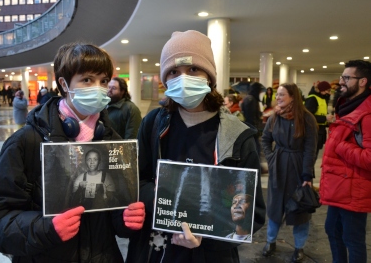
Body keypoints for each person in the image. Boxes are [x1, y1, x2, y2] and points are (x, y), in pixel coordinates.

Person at [0, 42, 145, 262]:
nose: (99, 88)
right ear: (64, 84)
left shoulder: (112, 142)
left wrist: (125, 218)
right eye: (87, 80)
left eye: (103, 81)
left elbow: (114, 215)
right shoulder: (27, 142)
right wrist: (45, 228)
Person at [126, 30, 266, 263]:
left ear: (209, 76)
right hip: (155, 248)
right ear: (165, 80)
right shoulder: (153, 124)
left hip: (211, 255)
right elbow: (135, 181)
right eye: (173, 72)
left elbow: (252, 216)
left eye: (193, 69)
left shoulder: (238, 137)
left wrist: (207, 232)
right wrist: (168, 206)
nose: (183, 78)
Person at [320, 60, 371, 263]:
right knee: (332, 229)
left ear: (363, 82)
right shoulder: (349, 107)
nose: (341, 81)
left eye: (347, 78)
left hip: (353, 190)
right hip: (341, 187)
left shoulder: (366, 115)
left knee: (353, 239)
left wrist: (340, 145)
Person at [261, 83, 318, 262]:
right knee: (275, 206)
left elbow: (311, 149)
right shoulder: (274, 116)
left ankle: (299, 247)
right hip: (278, 165)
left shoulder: (307, 118)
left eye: (281, 94)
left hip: (298, 166)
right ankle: (270, 242)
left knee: (299, 208)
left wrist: (307, 175)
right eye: (277, 94)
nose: (277, 97)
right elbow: (265, 139)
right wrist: (271, 158)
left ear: (293, 96)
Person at [305, 81, 334, 159]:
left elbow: (321, 113)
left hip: (320, 130)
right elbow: (307, 116)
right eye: (328, 91)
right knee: (310, 156)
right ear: (322, 90)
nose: (329, 93)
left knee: (314, 155)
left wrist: (327, 121)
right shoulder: (312, 98)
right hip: (312, 130)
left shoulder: (322, 98)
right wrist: (325, 118)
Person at [240, 82, 263, 155]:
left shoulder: (249, 98)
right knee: (255, 148)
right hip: (251, 128)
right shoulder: (251, 99)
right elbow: (251, 116)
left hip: (249, 127)